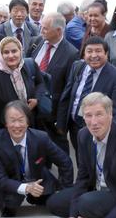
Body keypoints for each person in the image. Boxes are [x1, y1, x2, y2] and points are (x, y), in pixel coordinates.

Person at [0, 101, 73, 217]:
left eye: (21, 120)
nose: (17, 125)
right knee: (9, 209)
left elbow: (65, 162)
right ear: (6, 123)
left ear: (27, 122)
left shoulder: (41, 138)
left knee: (53, 203)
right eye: (12, 120)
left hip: (38, 180)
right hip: (10, 184)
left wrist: (64, 190)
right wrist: (27, 188)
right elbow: (0, 179)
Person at [57, 36, 116, 155]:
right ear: (84, 54)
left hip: (97, 130)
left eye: (98, 51)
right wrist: (61, 124)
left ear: (106, 53)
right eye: (89, 51)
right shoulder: (77, 66)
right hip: (75, 127)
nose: (94, 55)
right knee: (81, 161)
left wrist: (105, 136)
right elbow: (67, 96)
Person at [26, 12, 79, 155]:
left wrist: (61, 122)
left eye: (45, 28)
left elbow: (68, 90)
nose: (41, 31)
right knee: (36, 151)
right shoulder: (35, 42)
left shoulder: (72, 53)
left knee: (59, 152)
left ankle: (65, 177)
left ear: (59, 31)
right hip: (31, 108)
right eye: (41, 27)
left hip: (52, 112)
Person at [0, 37, 43, 135]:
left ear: (20, 51)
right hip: (4, 131)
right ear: (0, 54)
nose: (11, 55)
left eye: (14, 51)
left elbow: (40, 83)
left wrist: (37, 99)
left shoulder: (29, 66)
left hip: (30, 126)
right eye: (6, 52)